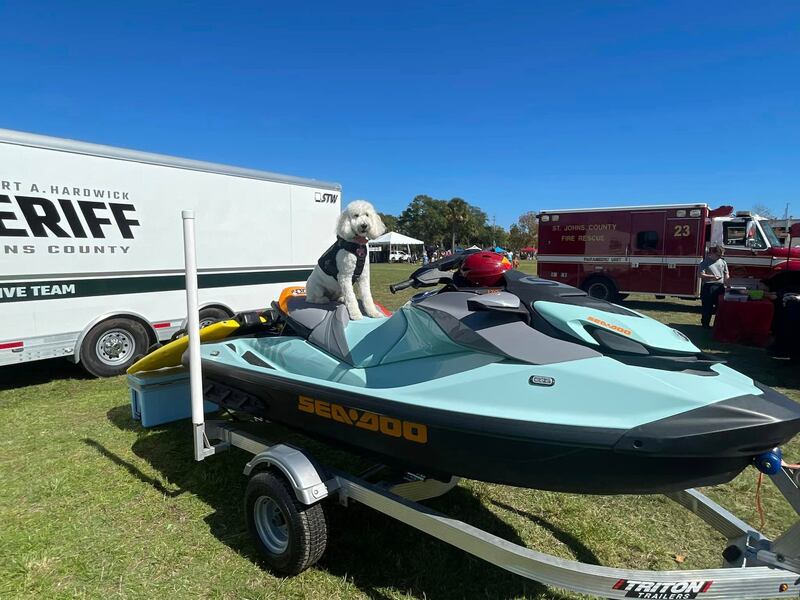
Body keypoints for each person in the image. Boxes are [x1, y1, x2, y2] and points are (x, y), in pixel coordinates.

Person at [698, 244, 729, 328]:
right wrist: (712, 277)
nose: (720, 257)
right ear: (713, 253)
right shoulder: (705, 262)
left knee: (720, 307)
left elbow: (726, 274)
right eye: (718, 255)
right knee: (707, 307)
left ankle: (718, 325)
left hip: (720, 286)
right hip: (709, 287)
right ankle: (705, 324)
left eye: (721, 255)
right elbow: (700, 274)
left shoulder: (723, 262)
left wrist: (728, 284)